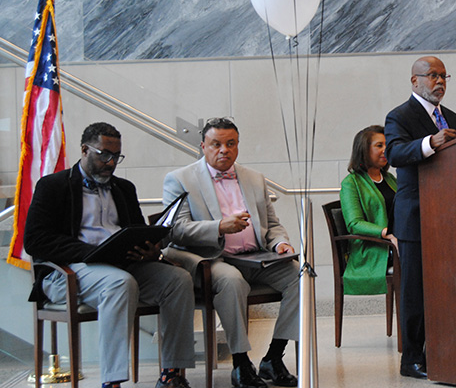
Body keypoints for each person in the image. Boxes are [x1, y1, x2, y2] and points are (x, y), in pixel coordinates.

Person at [24, 122, 195, 388]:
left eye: (116, 156)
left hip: (121, 264)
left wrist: (149, 249)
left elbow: (137, 229)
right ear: (84, 150)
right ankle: (112, 382)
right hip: (71, 271)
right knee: (119, 283)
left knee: (178, 279)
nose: (111, 162)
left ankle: (171, 373)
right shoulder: (53, 186)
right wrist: (93, 253)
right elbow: (35, 241)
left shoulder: (123, 188)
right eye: (104, 154)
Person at [163, 117, 299, 388]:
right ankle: (240, 363)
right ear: (203, 146)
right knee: (231, 279)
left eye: (230, 144)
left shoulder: (254, 178)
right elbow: (176, 230)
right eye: (216, 144)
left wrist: (279, 244)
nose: (224, 149)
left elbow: (272, 225)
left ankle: (273, 357)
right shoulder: (180, 179)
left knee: (300, 275)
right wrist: (218, 227)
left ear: (237, 146)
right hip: (210, 258)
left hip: (255, 256)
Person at [384, 56, 456, 379]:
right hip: (416, 216)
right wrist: (431, 142)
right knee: (416, 290)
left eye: (444, 76)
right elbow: (395, 154)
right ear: (414, 80)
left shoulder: (454, 116)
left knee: (448, 286)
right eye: (432, 75)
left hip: (452, 215)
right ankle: (412, 358)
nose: (439, 81)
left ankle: (447, 350)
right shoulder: (400, 116)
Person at [339, 125, 398, 294]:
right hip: (372, 250)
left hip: (396, 243)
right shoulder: (351, 183)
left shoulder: (390, 179)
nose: (385, 150)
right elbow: (354, 223)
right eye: (379, 146)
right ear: (364, 150)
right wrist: (386, 232)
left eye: (387, 145)